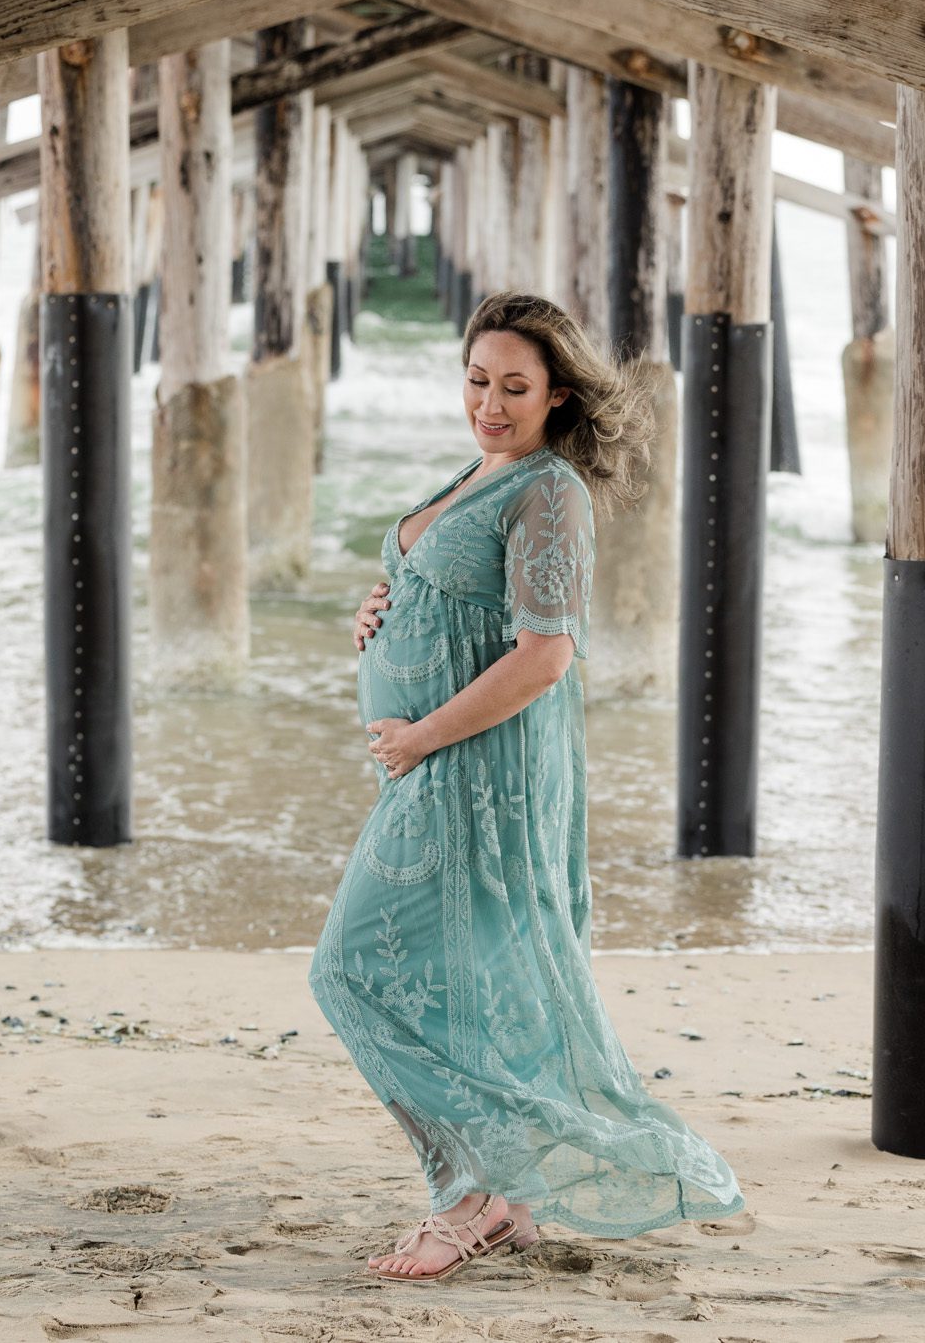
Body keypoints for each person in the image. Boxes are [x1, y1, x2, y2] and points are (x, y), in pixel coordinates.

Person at [308, 291, 747, 1284]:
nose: (490, 403)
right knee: (457, 982)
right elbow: (452, 589)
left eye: (515, 387)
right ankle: (493, 1196)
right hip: (435, 762)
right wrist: (384, 606)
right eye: (477, 381)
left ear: (556, 397)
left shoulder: (550, 492)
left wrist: (418, 733)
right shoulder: (480, 470)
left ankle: (469, 1198)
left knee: (353, 971)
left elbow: (545, 655)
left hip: (480, 770)